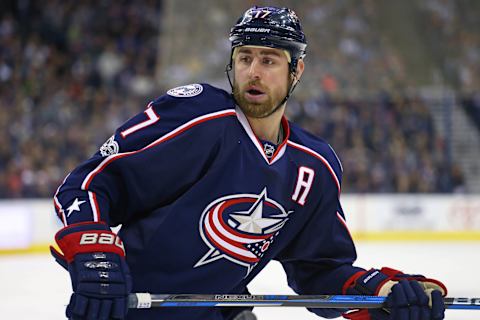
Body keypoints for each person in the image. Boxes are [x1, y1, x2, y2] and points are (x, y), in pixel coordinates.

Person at [51, 6, 447, 320]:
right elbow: (86, 186)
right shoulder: (197, 116)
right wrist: (95, 252)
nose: (253, 72)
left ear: (297, 71)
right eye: (245, 58)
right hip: (125, 310)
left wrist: (384, 293)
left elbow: (320, 271)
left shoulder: (315, 166)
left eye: (270, 60)